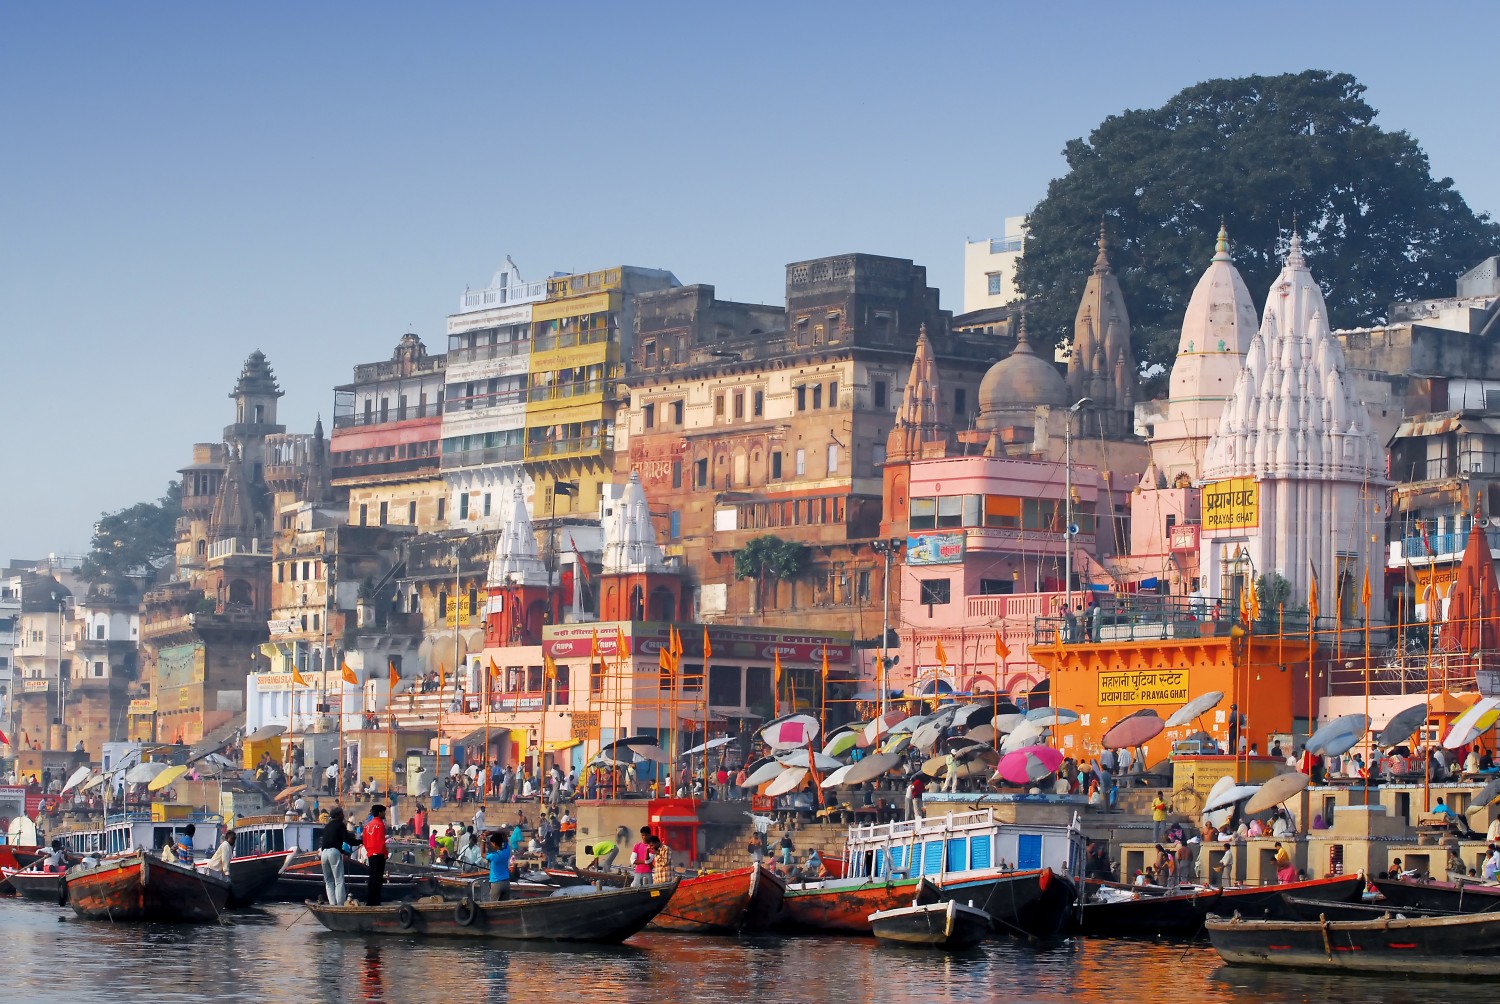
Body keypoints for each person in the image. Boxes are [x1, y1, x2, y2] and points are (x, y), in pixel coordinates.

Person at [320, 807, 353, 906]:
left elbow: (330, 843)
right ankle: (340, 905)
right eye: (342, 814)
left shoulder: (327, 826)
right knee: (339, 880)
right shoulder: (340, 825)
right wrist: (361, 841)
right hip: (334, 853)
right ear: (338, 815)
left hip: (324, 853)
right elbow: (348, 840)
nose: (343, 816)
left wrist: (344, 852)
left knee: (329, 881)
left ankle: (332, 904)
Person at [363, 804, 389, 906]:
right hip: (379, 854)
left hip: (370, 854)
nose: (384, 814)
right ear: (379, 813)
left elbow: (364, 840)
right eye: (383, 812)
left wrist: (369, 850)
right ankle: (375, 901)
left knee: (372, 877)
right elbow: (382, 841)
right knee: (378, 879)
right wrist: (385, 853)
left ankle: (369, 900)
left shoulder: (367, 825)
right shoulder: (380, 825)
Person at [487, 831, 512, 900]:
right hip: (506, 883)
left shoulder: (493, 856)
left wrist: (483, 840)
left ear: (494, 844)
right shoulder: (506, 851)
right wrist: (491, 832)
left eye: (491, 843)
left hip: (496, 883)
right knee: (505, 906)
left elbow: (483, 854)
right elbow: (504, 833)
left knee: (494, 906)